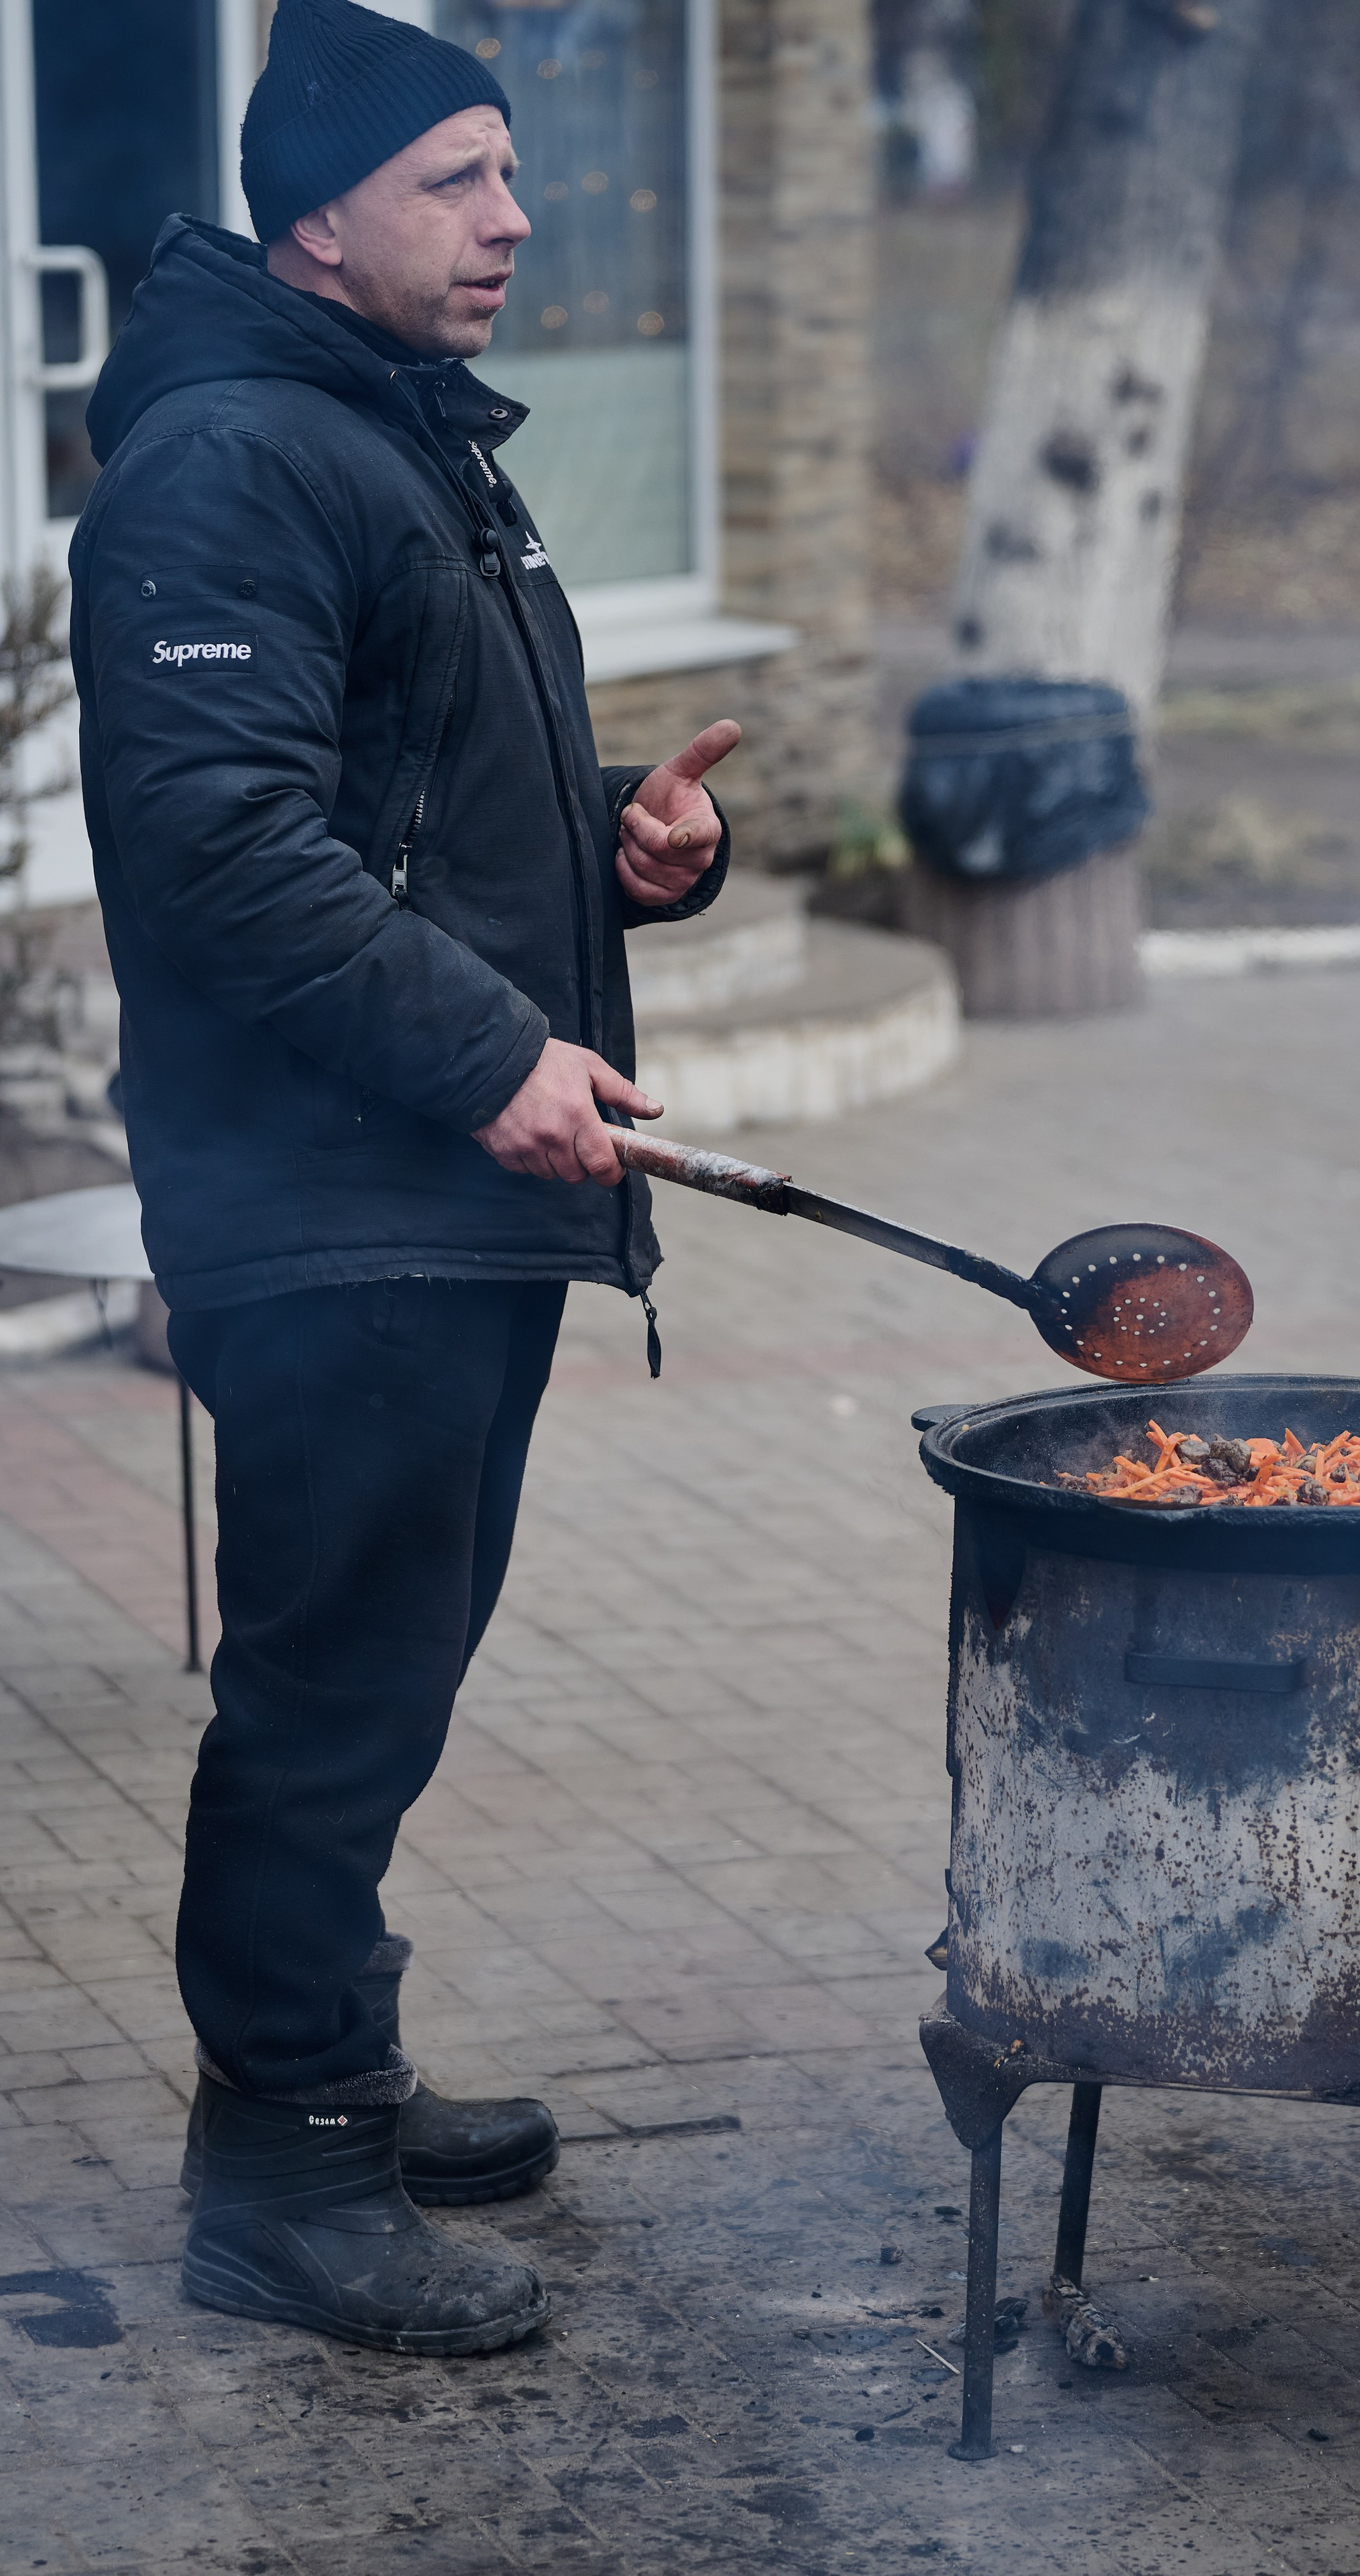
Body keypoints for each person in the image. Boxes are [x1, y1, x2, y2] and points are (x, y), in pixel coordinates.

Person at [69, 0, 738, 2357]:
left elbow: (394, 804)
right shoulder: (235, 458)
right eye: (459, 177)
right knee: (331, 1686)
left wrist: (638, 856)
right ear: (317, 215)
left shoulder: (393, 439)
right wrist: (488, 1059)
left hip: (423, 1174)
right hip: (330, 1189)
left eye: (512, 172)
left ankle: (329, 2066)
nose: (517, 218)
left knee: (389, 1663)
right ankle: (286, 2172)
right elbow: (222, 841)